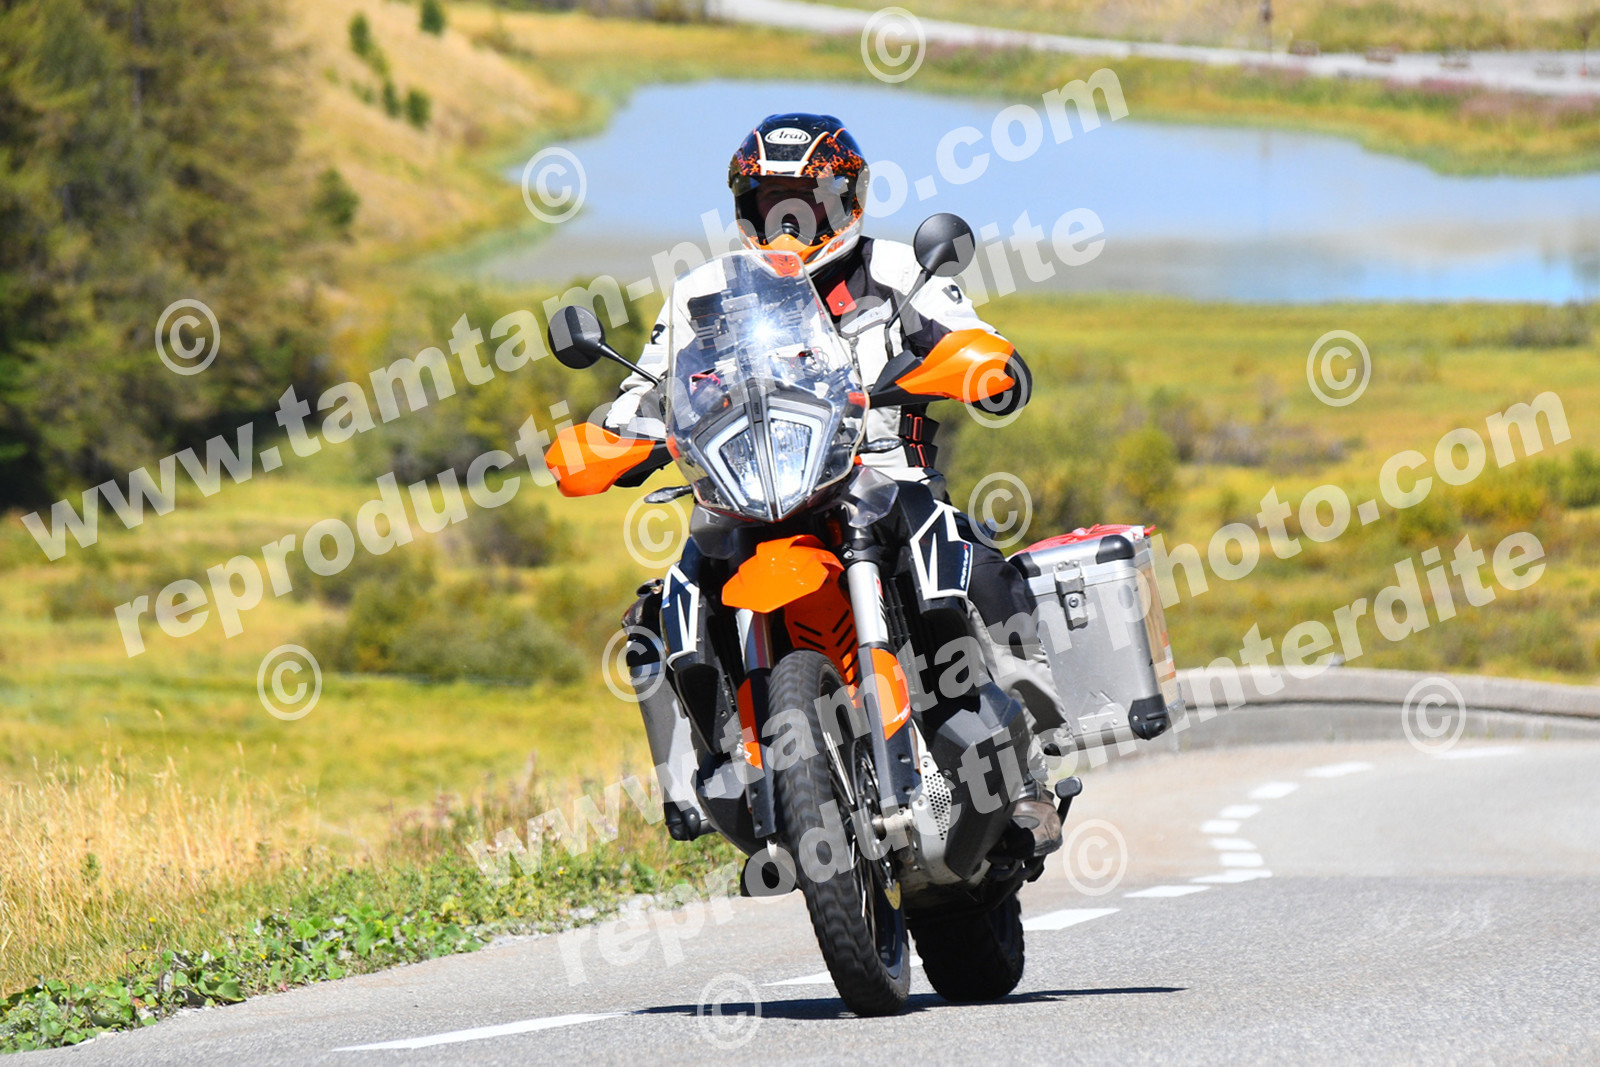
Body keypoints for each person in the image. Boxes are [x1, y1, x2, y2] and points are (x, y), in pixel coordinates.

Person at [606, 113, 1061, 855]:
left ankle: (1029, 775)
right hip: (751, 489)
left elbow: (971, 339)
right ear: (745, 209)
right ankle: (709, 774)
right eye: (770, 203)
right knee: (670, 602)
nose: (789, 222)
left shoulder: (896, 271)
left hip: (885, 478)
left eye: (809, 202)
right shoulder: (704, 295)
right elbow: (647, 388)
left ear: (847, 201)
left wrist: (983, 362)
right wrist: (615, 433)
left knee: (972, 565)